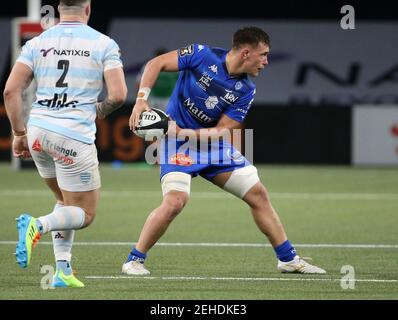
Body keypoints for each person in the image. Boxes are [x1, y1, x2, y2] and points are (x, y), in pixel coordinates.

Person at [123, 26, 326, 275]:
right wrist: (142, 99)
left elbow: (221, 132)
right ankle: (134, 260)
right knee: (176, 201)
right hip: (178, 146)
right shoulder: (200, 54)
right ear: (245, 53)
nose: (266, 61)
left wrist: (179, 132)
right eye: (263, 55)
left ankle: (287, 259)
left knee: (258, 194)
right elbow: (156, 63)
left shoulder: (246, 90)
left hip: (210, 145)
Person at [4, 0, 127, 287]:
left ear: (59, 9)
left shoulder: (37, 42)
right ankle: (38, 225)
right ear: (88, 9)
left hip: (38, 132)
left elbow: (11, 90)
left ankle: (63, 271)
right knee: (85, 213)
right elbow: (119, 95)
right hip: (72, 136)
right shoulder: (104, 43)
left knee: (64, 201)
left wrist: (19, 133)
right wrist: (99, 110)